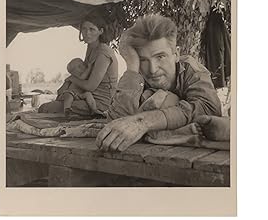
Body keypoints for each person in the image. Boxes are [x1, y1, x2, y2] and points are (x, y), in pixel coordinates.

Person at [96, 15, 222, 152]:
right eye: (143, 60)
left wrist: (144, 122)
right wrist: (132, 67)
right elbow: (115, 124)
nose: (152, 69)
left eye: (160, 57)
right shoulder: (137, 75)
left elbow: (209, 110)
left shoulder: (192, 70)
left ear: (176, 54)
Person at [38, 16, 118, 119]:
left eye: (92, 29)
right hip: (87, 95)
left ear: (101, 31)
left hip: (101, 101)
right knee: (55, 104)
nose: (87, 33)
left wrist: (71, 79)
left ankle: (95, 113)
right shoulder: (91, 47)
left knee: (46, 108)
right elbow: (83, 74)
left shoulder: (104, 53)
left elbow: (90, 86)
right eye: (84, 29)